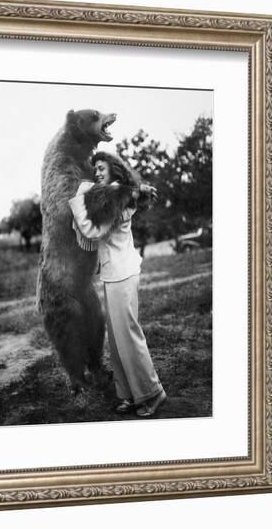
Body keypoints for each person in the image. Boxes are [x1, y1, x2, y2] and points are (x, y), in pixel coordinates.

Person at [68, 152, 166, 417]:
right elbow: (99, 196)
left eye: (101, 168)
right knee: (117, 339)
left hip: (122, 273)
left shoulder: (117, 197)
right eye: (95, 169)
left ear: (114, 170)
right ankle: (128, 394)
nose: (97, 173)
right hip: (114, 274)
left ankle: (152, 392)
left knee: (129, 336)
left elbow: (93, 231)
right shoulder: (114, 195)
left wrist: (77, 202)